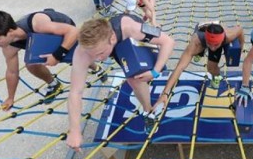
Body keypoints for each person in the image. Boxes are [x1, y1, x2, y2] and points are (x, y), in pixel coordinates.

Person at [66, 14, 175, 146]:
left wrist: (155, 72)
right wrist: (75, 130)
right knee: (132, 78)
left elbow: (168, 41)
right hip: (113, 46)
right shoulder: (82, 51)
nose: (98, 59)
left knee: (136, 75)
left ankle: (148, 110)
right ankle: (148, 110)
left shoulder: (132, 28)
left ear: (111, 38)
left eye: (100, 53)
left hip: (130, 39)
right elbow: (75, 92)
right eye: (92, 55)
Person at [0, 9, 78, 111]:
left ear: (10, 32)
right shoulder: (9, 48)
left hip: (64, 29)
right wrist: (10, 98)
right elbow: (12, 72)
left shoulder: (38, 24)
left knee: (77, 56)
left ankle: (85, 61)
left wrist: (57, 56)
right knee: (31, 63)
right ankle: (54, 84)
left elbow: (73, 31)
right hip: (40, 37)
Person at [163, 21, 244, 93]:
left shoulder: (228, 36)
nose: (212, 48)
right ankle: (200, 53)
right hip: (201, 38)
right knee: (196, 51)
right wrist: (165, 93)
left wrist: (240, 48)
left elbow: (240, 29)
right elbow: (179, 67)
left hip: (215, 36)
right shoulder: (195, 42)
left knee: (211, 68)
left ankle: (216, 76)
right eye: (210, 44)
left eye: (216, 45)